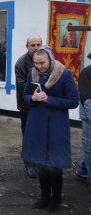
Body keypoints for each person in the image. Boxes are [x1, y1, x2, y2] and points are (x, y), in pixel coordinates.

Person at [21, 46, 79, 213]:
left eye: (42, 63)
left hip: (56, 125)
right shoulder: (32, 73)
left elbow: (73, 101)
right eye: (36, 63)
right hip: (36, 123)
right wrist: (32, 97)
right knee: (40, 164)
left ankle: (56, 198)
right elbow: (25, 95)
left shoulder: (64, 74)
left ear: (51, 60)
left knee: (54, 165)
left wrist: (49, 99)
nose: (39, 66)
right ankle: (44, 196)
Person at [15, 35, 42, 178]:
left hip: (43, 105)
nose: (36, 47)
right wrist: (38, 90)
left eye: (39, 44)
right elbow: (20, 85)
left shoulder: (46, 60)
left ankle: (39, 160)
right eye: (33, 45)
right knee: (28, 135)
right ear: (27, 47)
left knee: (40, 134)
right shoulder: (21, 63)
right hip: (27, 106)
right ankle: (29, 163)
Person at [76, 53, 91, 190]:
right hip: (88, 119)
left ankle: (81, 170)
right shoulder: (86, 73)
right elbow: (87, 99)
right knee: (90, 148)